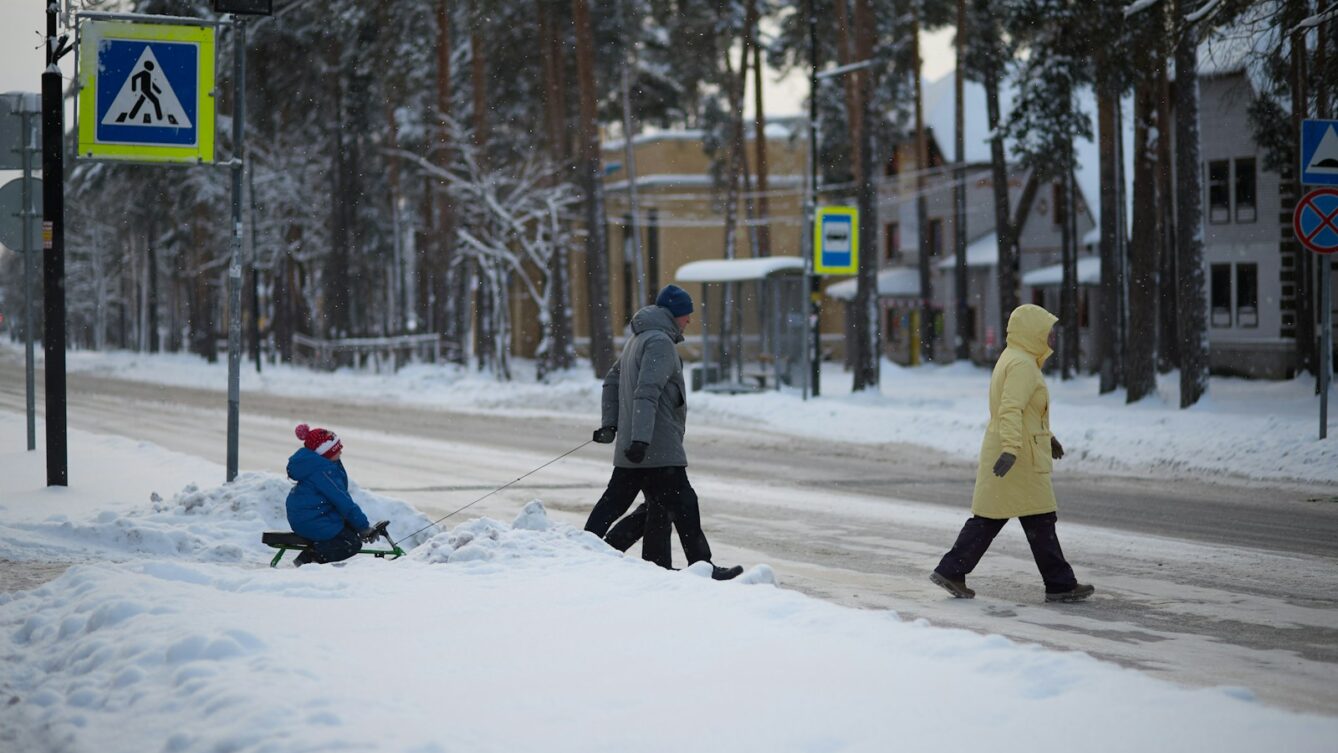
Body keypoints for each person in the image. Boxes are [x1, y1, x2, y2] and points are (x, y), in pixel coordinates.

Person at [930, 304, 1095, 603]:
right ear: (1032, 332)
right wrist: (1010, 449)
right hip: (1018, 456)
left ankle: (953, 570)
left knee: (1011, 517)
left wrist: (1049, 437)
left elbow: (1026, 412)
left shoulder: (1016, 358)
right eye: (1047, 331)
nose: (1051, 337)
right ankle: (1059, 584)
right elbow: (1010, 409)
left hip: (1020, 450)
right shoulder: (1022, 365)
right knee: (1030, 519)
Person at [585, 284, 743, 581]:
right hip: (656, 447)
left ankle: (639, 559)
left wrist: (612, 425)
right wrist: (641, 438)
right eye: (686, 315)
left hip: (640, 445)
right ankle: (702, 566)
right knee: (684, 504)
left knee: (636, 504)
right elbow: (648, 392)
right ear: (674, 315)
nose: (688, 321)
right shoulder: (659, 342)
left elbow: (611, 382)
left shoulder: (638, 339)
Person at [286, 423, 378, 567]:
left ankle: (315, 552)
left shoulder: (319, 465)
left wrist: (357, 525)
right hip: (312, 520)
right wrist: (363, 527)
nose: (341, 451)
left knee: (348, 529)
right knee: (351, 543)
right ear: (326, 453)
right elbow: (342, 501)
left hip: (311, 515)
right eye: (337, 449)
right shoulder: (323, 472)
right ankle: (309, 559)